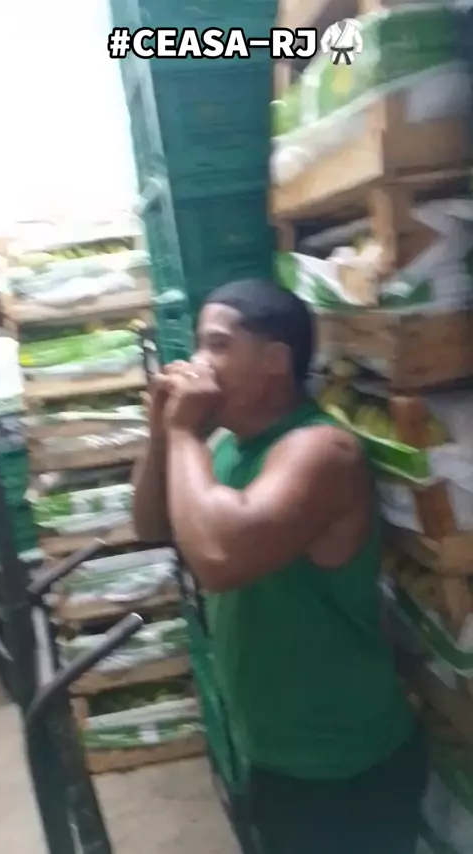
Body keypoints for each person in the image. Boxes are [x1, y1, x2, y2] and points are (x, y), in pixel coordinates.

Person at [133, 278, 427, 854]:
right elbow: (151, 526)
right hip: (276, 753)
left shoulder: (321, 450)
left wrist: (184, 434)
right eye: (200, 345)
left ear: (275, 361)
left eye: (218, 345)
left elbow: (220, 559)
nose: (198, 363)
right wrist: (161, 434)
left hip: (342, 765)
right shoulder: (224, 446)